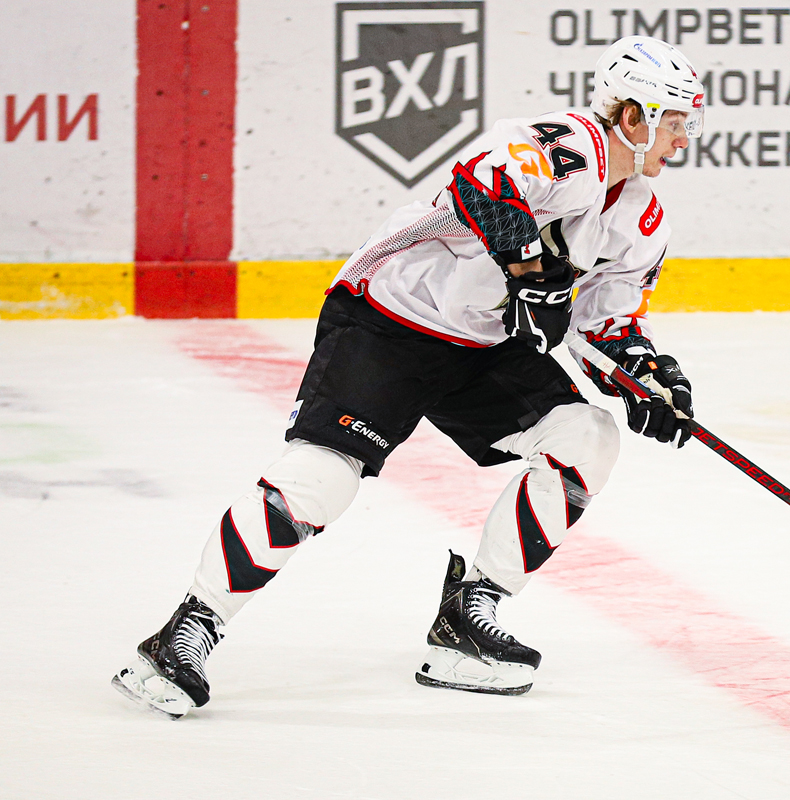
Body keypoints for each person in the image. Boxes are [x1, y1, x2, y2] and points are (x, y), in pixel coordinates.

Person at [111, 35, 706, 717]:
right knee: (322, 476)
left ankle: (467, 621)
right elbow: (483, 182)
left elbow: (606, 322)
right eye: (675, 121)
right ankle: (184, 634)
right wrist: (529, 271)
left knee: (587, 436)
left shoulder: (642, 220)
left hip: (482, 344)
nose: (683, 139)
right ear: (632, 116)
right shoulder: (565, 145)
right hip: (390, 318)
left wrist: (649, 378)